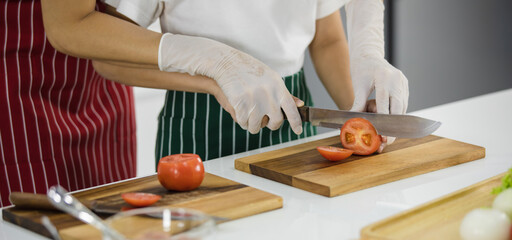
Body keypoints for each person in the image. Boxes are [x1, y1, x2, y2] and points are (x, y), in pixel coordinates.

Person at [96, 0, 408, 163]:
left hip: (294, 117)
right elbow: (109, 57)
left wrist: (359, 116)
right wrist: (213, 81)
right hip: (198, 127)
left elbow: (326, 40)